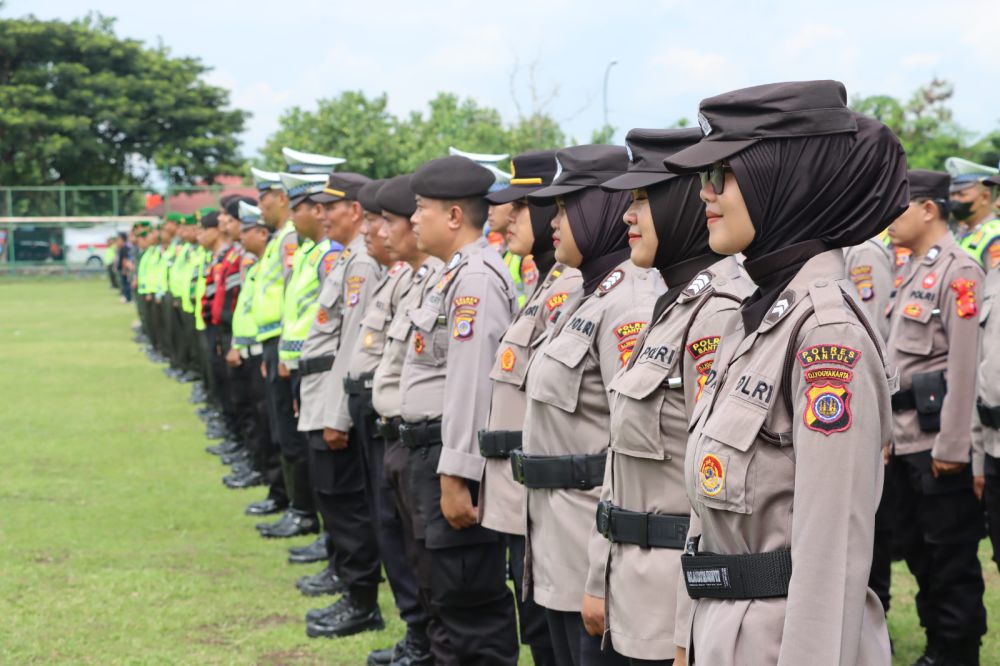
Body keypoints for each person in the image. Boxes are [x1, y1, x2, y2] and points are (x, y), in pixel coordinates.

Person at [660, 79, 907, 665]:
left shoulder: (825, 334)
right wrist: (684, 635)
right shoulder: (752, 316)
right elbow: (710, 505)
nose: (705, 195)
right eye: (703, 178)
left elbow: (831, 556)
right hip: (721, 629)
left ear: (784, 182)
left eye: (723, 175)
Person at [587, 128, 753, 666]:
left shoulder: (719, 312)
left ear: (680, 205)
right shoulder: (667, 306)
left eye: (642, 200)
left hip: (670, 603)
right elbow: (620, 458)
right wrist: (597, 574)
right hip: (629, 584)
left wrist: (688, 627)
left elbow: (710, 491)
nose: (626, 218)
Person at [515, 144, 656, 666]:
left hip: (589, 541)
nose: (553, 222)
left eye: (567, 206)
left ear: (600, 207)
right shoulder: (583, 293)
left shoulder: (630, 305)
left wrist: (599, 571)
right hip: (556, 534)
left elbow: (628, 440)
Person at [399, 154, 520, 664]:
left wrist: (457, 475)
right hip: (430, 455)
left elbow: (473, 385)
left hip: (449, 461)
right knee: (444, 600)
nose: (412, 220)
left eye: (421, 208)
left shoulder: (476, 280)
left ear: (453, 216)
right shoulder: (454, 275)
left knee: (468, 607)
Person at [478, 149, 579, 666]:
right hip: (528, 497)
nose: (505, 218)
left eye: (522, 208)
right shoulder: (543, 283)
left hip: (562, 505)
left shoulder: (575, 289)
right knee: (539, 634)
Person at [886, 169, 986, 666]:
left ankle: (956, 652)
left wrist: (952, 447)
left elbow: (965, 368)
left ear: (929, 209)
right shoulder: (907, 270)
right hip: (903, 441)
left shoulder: (959, 271)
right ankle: (936, 648)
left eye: (899, 206)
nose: (889, 217)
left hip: (936, 448)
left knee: (950, 562)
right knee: (921, 557)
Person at [294, 171, 387, 636]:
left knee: (346, 505)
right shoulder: (348, 260)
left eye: (330, 207)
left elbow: (353, 345)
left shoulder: (362, 264)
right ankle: (350, 589)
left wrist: (334, 415)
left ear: (353, 209)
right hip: (319, 393)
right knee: (332, 502)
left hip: (336, 400)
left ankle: (361, 601)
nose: (321, 215)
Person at [369, 173, 445, 665]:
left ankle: (427, 642)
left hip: (429, 443)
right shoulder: (417, 280)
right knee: (410, 551)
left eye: (388, 219)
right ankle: (422, 639)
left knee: (441, 567)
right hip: (399, 434)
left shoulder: (457, 282)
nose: (378, 231)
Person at [245, 166, 298, 520]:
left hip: (285, 345)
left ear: (282, 198)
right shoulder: (280, 239)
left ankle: (299, 507)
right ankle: (290, 501)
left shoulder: (290, 240)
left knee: (288, 433)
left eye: (264, 199)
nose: (260, 207)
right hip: (273, 342)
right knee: (279, 429)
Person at [946, 157, 1000, 270]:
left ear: (984, 197)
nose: (954, 200)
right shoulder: (960, 230)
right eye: (952, 194)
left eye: (961, 194)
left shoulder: (995, 235)